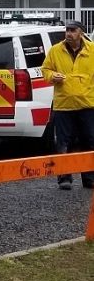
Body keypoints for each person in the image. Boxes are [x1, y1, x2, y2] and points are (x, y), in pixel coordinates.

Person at [41, 19, 94, 190]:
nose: (69, 34)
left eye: (73, 30)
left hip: (88, 105)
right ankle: (64, 177)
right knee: (64, 143)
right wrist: (51, 76)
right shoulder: (56, 50)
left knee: (90, 142)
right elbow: (45, 69)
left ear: (81, 33)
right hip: (64, 105)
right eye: (67, 30)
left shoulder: (92, 50)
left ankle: (90, 178)